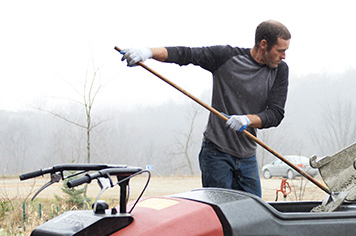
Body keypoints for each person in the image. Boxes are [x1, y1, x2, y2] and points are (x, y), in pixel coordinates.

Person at [121, 21, 291, 197]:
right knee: (220, 213)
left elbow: (276, 114)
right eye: (280, 50)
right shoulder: (226, 57)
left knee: (255, 213)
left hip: (247, 156)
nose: (284, 56)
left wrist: (247, 120)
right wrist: (147, 52)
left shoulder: (280, 71)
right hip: (216, 154)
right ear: (264, 45)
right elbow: (185, 54)